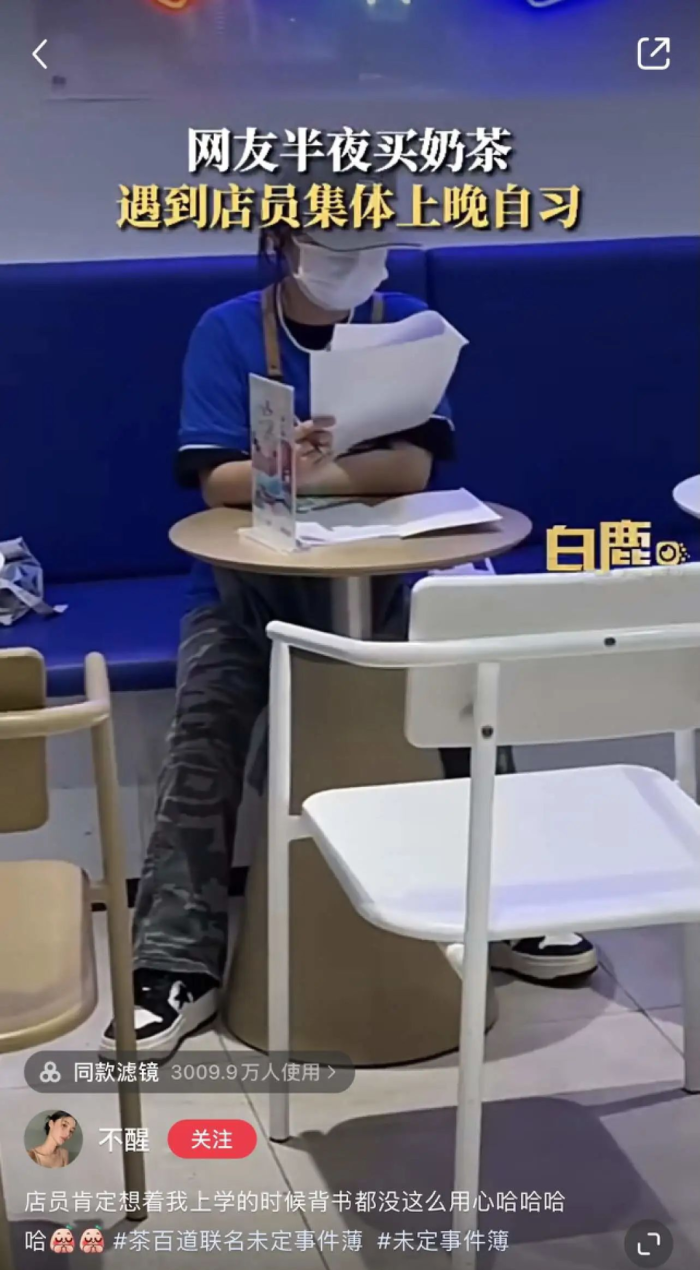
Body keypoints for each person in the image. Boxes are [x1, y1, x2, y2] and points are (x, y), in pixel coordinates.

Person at [101, 202, 596, 1061]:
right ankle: (176, 961)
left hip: (390, 579)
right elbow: (218, 482)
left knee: (471, 688)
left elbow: (412, 467)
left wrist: (298, 470)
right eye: (335, 247)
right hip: (247, 585)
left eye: (372, 245)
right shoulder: (227, 332)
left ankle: (509, 911)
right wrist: (326, 469)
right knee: (205, 723)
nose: (356, 262)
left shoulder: (408, 325)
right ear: (284, 243)